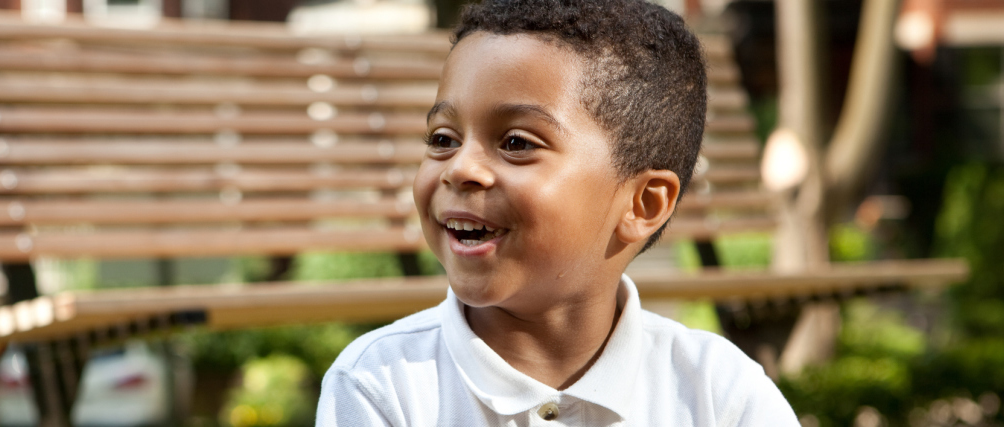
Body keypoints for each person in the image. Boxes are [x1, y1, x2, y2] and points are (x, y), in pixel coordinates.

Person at [315, 0, 800, 424]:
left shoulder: (720, 394)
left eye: (516, 143)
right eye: (443, 139)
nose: (461, 168)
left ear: (643, 204)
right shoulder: (381, 385)